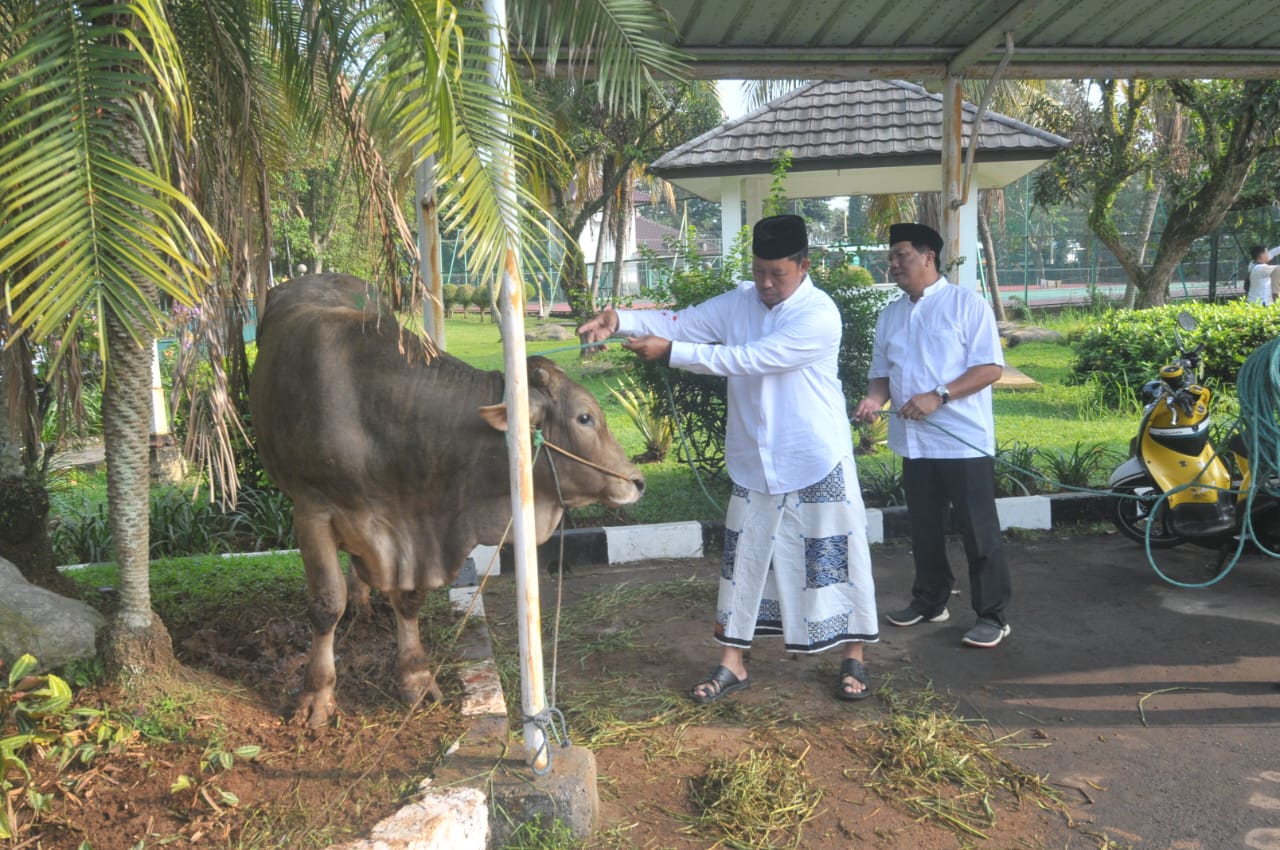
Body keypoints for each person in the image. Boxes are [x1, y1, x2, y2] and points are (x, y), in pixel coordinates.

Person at [577, 214, 879, 702]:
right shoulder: (741, 301)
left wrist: (672, 352)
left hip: (816, 457)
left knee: (835, 555)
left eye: (777, 274)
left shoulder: (819, 314)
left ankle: (854, 655)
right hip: (754, 460)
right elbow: (681, 322)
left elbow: (750, 359)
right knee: (744, 559)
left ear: (804, 266)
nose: (765, 283)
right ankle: (732, 663)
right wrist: (620, 320)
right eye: (759, 271)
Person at [852, 222, 1012, 648]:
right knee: (923, 527)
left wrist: (939, 395)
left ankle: (992, 615)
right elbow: (881, 374)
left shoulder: (966, 305)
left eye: (901, 255)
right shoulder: (890, 315)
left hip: (962, 441)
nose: (893, 264)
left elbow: (989, 368)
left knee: (978, 529)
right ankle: (930, 601)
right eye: (890, 257)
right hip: (913, 443)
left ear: (929, 257)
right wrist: (874, 400)